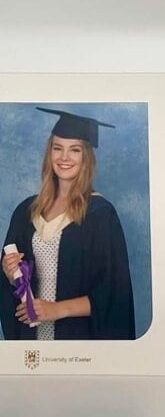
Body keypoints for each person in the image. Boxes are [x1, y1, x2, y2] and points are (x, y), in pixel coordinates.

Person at [0, 107, 134, 340]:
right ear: (49, 153)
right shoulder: (26, 211)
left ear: (86, 157)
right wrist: (11, 274)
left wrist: (56, 310)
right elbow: (13, 282)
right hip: (31, 338)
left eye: (74, 150)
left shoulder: (100, 214)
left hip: (76, 338)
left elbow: (114, 293)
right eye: (57, 148)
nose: (64, 158)